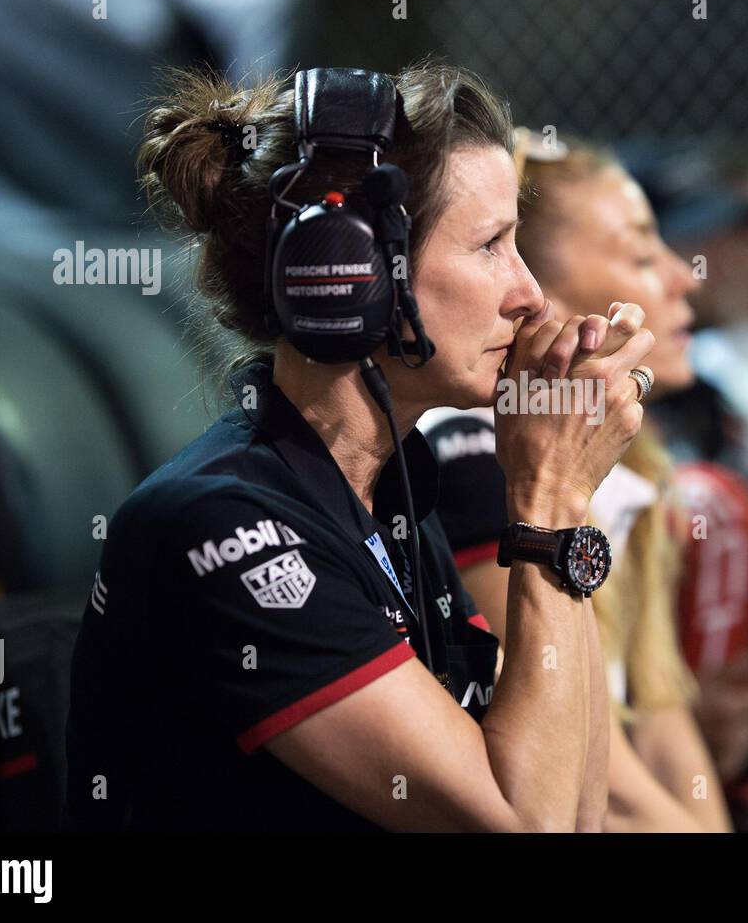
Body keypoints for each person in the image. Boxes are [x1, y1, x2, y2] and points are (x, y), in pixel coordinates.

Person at [63, 61, 657, 832]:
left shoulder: (391, 491)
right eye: (490, 246)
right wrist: (551, 498)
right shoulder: (224, 526)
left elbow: (576, 810)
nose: (530, 293)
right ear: (350, 272)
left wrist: (559, 510)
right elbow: (526, 822)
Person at [423, 131, 744, 831]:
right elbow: (592, 792)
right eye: (639, 252)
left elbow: (659, 720)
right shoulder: (475, 456)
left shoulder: (639, 466)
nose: (683, 275)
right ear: (544, 291)